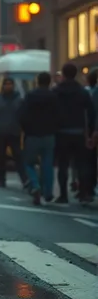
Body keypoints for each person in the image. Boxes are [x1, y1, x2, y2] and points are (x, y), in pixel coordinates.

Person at [52, 62, 95, 203]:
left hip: (61, 132)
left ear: (63, 75)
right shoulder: (83, 92)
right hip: (79, 132)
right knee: (82, 163)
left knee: (63, 165)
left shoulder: (56, 91)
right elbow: (91, 112)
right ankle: (83, 193)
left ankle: (63, 195)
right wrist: (90, 131)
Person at [19, 71, 60, 205]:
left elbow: (22, 115)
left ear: (37, 81)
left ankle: (35, 185)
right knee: (48, 165)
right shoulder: (54, 97)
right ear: (49, 82)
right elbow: (58, 115)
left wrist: (25, 130)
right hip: (49, 135)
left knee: (29, 163)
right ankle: (48, 192)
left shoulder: (30, 96)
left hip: (32, 135)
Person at [0, 77, 27, 188]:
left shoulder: (19, 99)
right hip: (1, 133)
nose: (8, 86)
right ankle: (1, 180)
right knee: (1, 157)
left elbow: (22, 115)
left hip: (14, 132)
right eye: (6, 84)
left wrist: (20, 126)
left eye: (10, 84)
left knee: (18, 157)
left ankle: (24, 180)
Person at [85, 69, 98, 197]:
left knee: (91, 160)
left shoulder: (93, 93)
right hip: (93, 129)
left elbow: (93, 113)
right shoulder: (92, 92)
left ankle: (90, 187)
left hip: (92, 130)